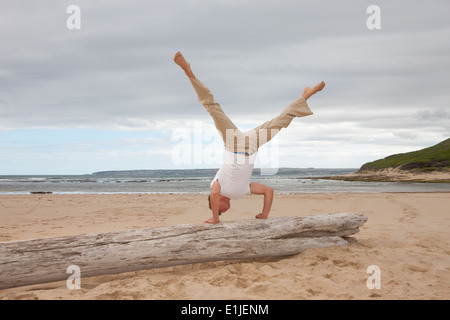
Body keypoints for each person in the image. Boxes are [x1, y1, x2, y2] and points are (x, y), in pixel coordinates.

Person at [174, 51, 325, 224]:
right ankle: (306, 95)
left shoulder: (216, 186)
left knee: (213, 107)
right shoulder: (241, 192)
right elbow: (269, 191)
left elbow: (214, 194)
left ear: (216, 204)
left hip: (234, 143)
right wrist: (264, 214)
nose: (225, 211)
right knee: (281, 121)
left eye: (221, 211)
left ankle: (188, 71)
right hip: (253, 145)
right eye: (221, 213)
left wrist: (215, 218)